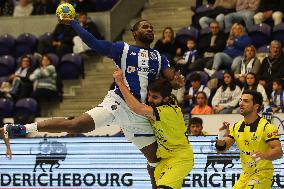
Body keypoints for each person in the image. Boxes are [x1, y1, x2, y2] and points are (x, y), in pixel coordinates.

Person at [3, 18, 184, 189]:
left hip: (140, 115)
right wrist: (74, 23)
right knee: (76, 125)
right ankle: (22, 128)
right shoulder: (123, 49)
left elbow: (172, 78)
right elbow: (94, 42)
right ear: (134, 33)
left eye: (151, 27)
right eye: (144, 27)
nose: (149, 29)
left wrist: (176, 82)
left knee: (156, 162)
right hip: (118, 103)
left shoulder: (159, 57)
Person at [113, 68, 194, 189]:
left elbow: (138, 108)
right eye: (149, 95)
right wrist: (175, 84)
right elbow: (165, 88)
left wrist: (120, 82)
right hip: (165, 160)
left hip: (180, 159)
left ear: (166, 98)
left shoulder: (169, 111)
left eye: (154, 97)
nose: (150, 100)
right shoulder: (165, 100)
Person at [215, 90, 283, 188]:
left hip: (263, 174)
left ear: (256, 106)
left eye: (246, 101)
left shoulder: (267, 127)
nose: (241, 104)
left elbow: (279, 152)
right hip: (246, 175)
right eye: (241, 100)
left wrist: (264, 155)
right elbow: (221, 149)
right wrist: (221, 136)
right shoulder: (236, 127)